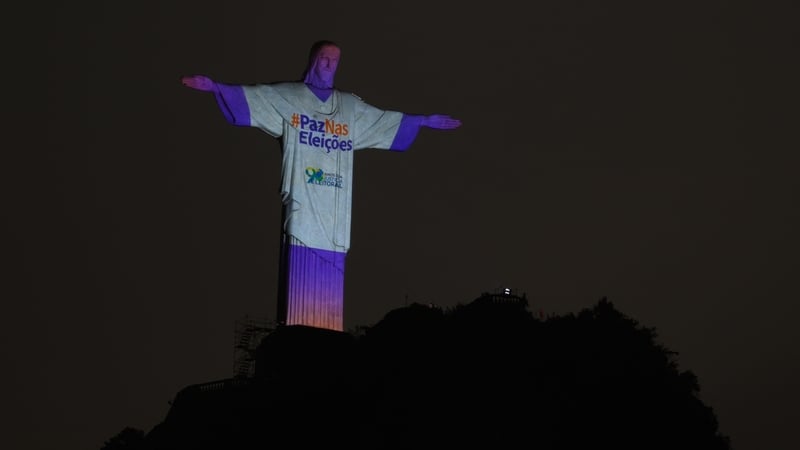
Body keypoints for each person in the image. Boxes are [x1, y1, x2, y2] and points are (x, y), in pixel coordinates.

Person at [181, 40, 461, 331]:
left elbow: (382, 119)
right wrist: (215, 88)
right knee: (299, 278)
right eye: (325, 58)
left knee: (331, 278)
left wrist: (422, 121)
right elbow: (258, 97)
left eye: (335, 60)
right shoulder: (291, 97)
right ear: (314, 61)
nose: (330, 65)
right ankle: (300, 331)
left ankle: (324, 336)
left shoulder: (348, 107)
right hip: (303, 200)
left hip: (335, 207)